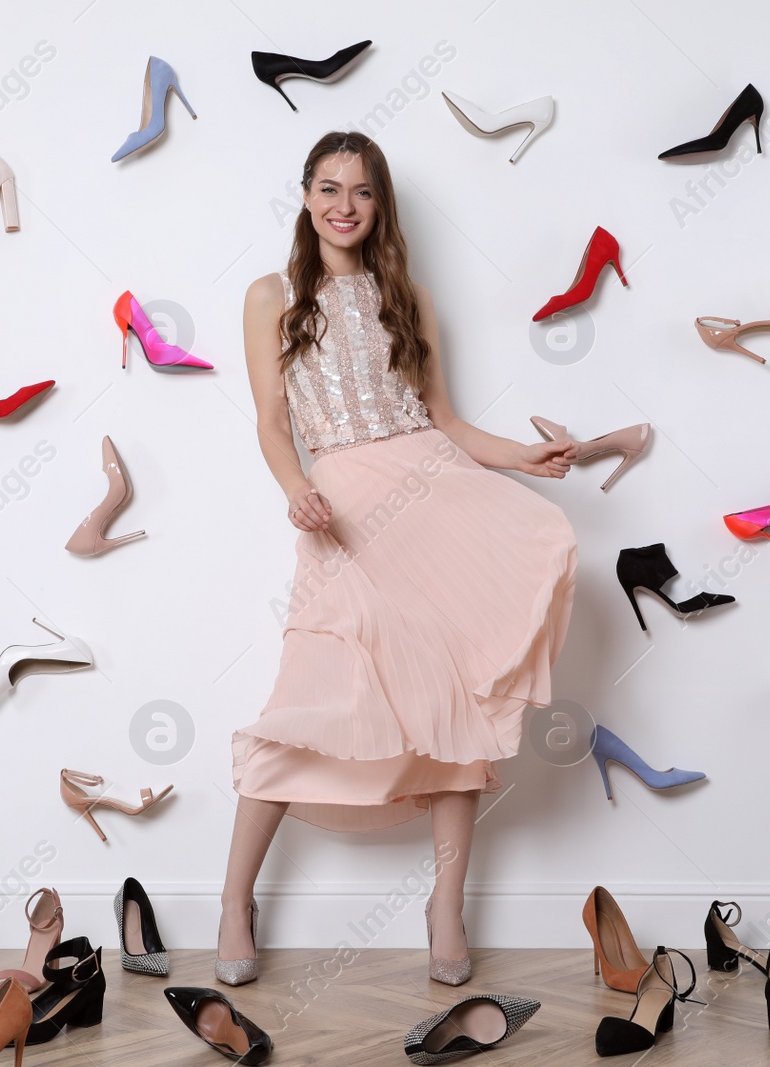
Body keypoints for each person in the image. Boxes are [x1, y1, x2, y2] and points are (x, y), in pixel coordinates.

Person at [218, 130, 579, 987]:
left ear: (381, 204)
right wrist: (294, 487)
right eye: (329, 187)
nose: (345, 205)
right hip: (342, 505)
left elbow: (445, 423)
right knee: (308, 692)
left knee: (460, 700)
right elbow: (272, 419)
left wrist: (527, 458)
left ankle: (445, 905)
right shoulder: (270, 293)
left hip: (433, 493)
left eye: (364, 191)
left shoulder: (408, 296)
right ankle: (235, 900)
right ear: (305, 194)